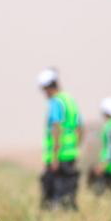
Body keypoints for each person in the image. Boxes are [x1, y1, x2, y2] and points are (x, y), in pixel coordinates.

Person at [37, 68, 84, 209]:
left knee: (51, 192)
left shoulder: (56, 102)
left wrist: (55, 157)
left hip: (58, 156)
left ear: (47, 87)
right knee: (69, 191)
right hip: (70, 154)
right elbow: (80, 128)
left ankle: (55, 219)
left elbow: (56, 129)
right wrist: (75, 147)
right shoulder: (69, 101)